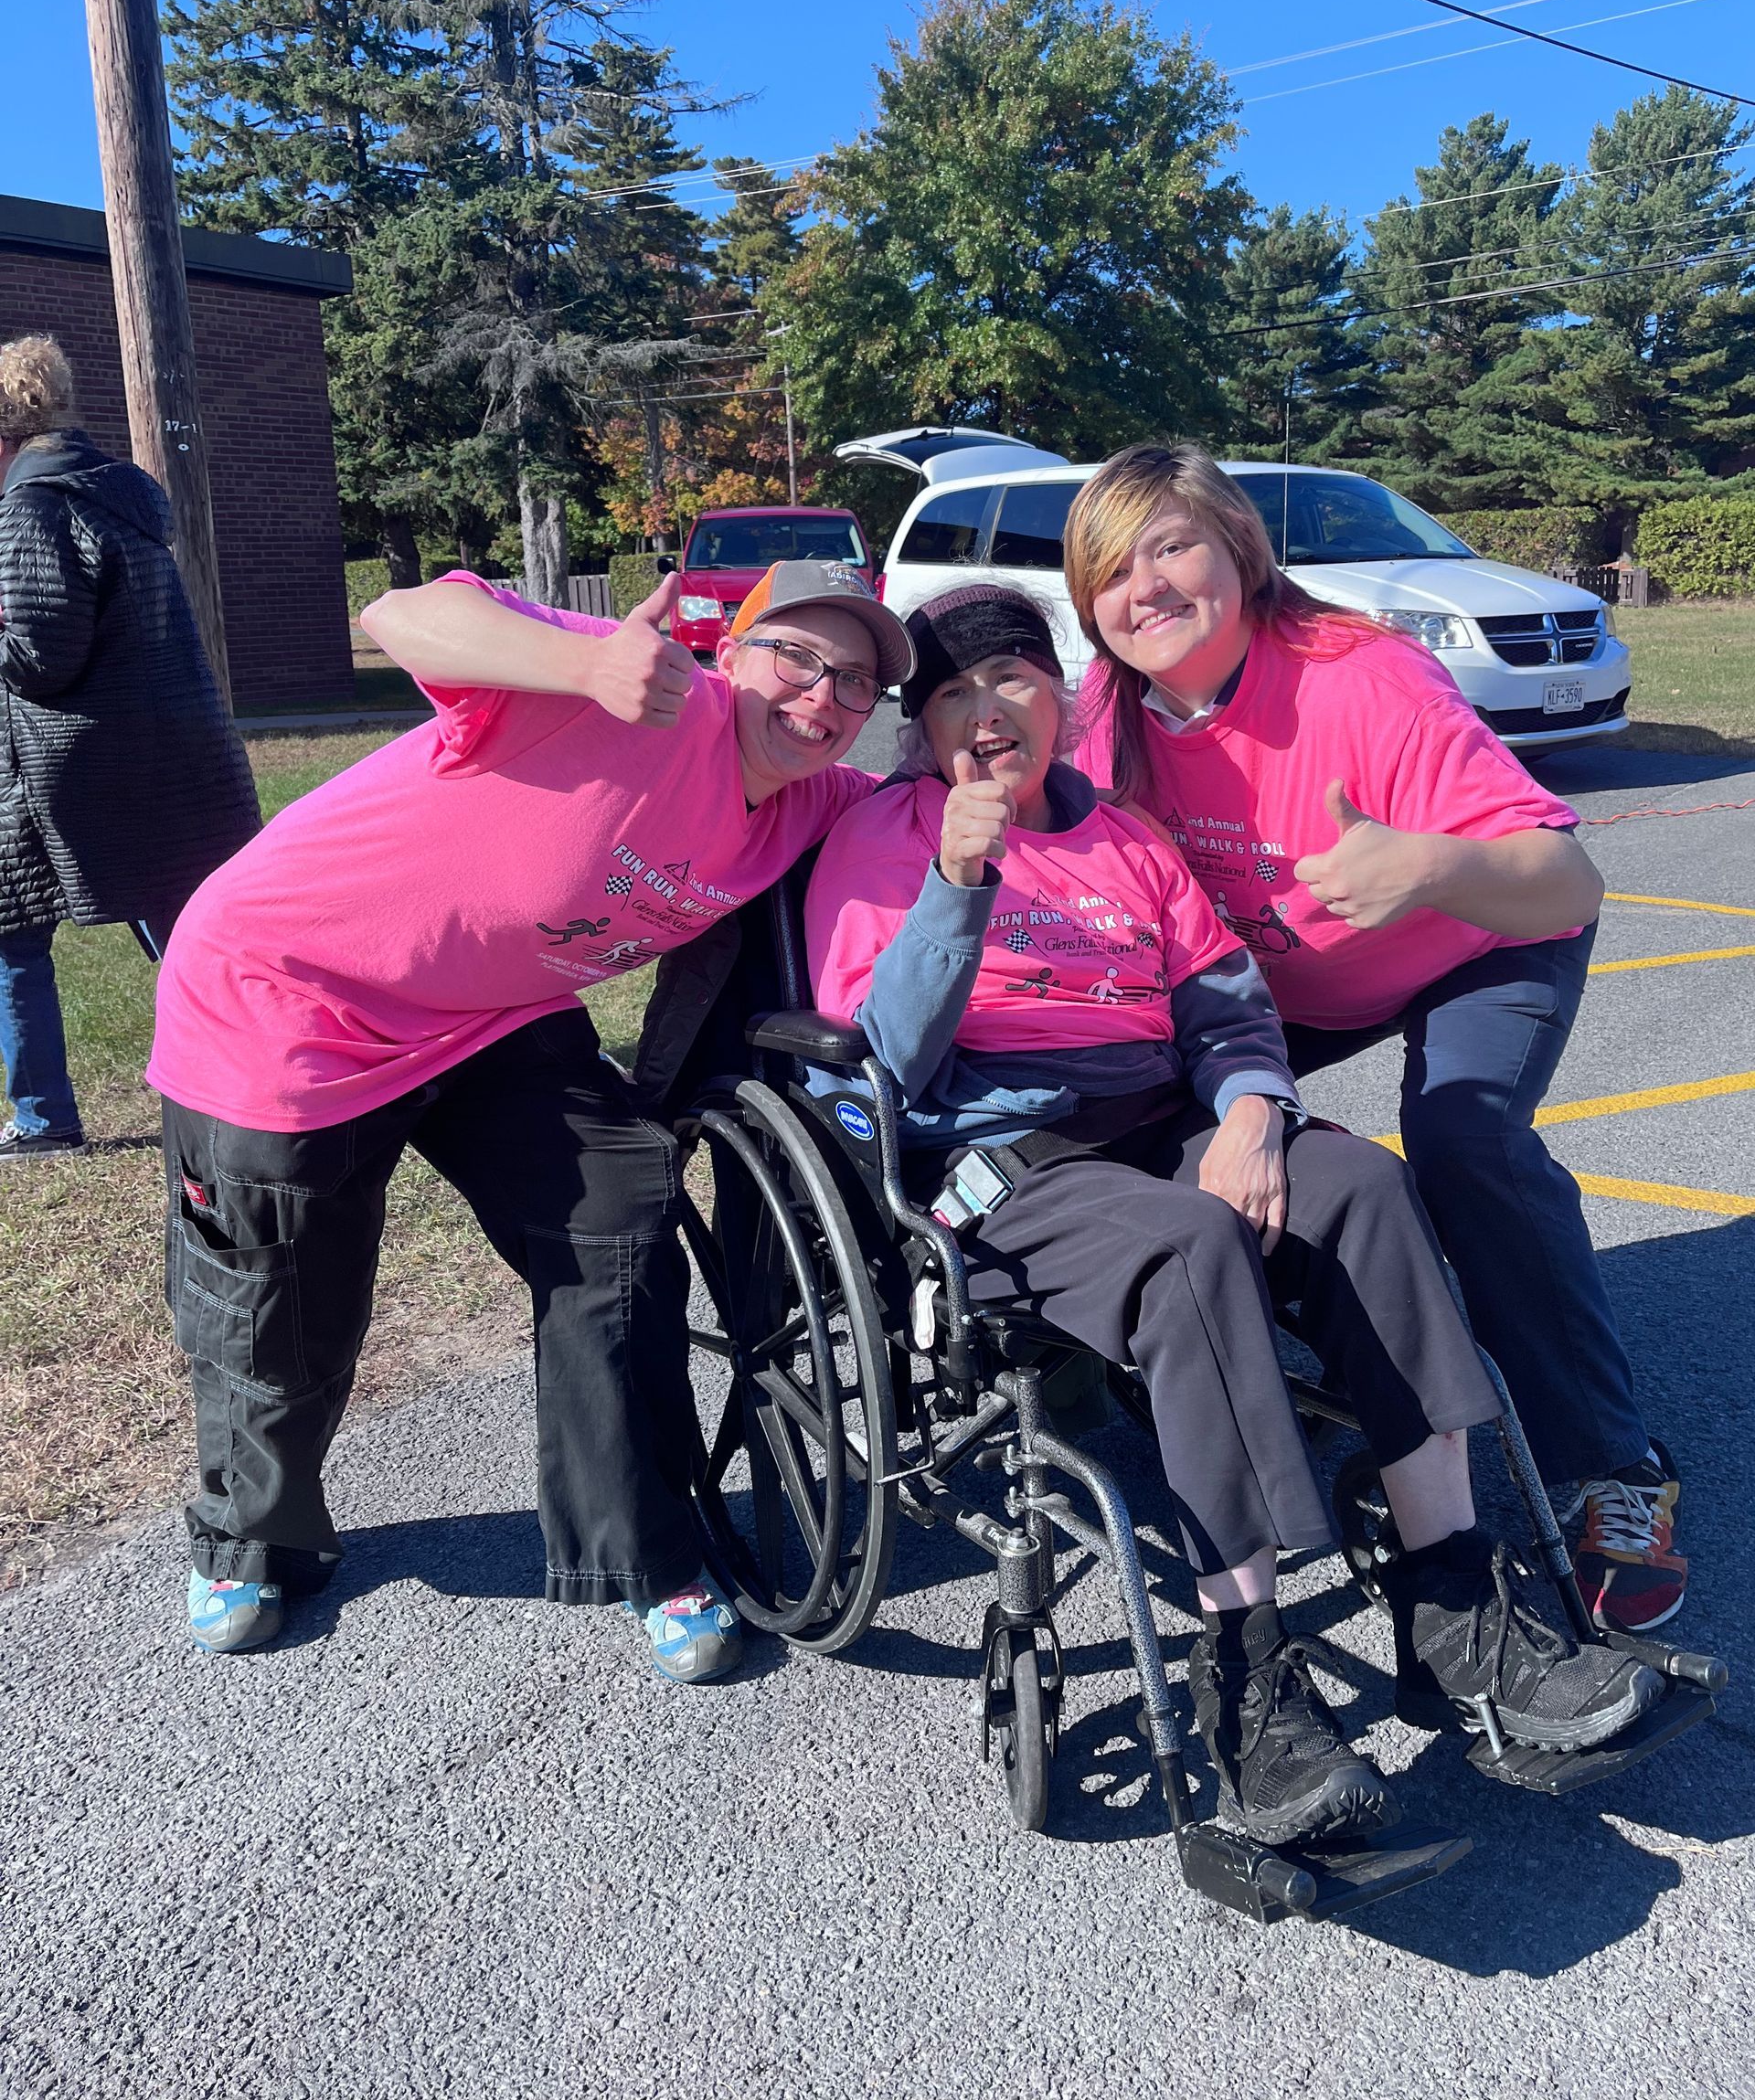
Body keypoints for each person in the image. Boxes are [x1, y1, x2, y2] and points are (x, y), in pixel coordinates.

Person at [803, 583, 1661, 1849]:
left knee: (1364, 1182)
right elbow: (889, 1063)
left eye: (1014, 682)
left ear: (1061, 695)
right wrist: (958, 881)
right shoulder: (889, 837)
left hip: (1167, 1117)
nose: (988, 714)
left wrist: (1257, 1105)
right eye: (951, 697)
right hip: (1000, 1154)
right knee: (1193, 1242)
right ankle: (1248, 1674)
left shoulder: (1129, 841)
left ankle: (1453, 1607)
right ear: (920, 731)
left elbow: (1222, 1003)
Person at [148, 557, 912, 1673]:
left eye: (856, 686)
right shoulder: (636, 691)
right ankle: (248, 1538)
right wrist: (585, 660)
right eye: (798, 657)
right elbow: (401, 615)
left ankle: (647, 1549)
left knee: (621, 1211)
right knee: (278, 1301)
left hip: (485, 1013)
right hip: (283, 993)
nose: (824, 698)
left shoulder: (816, 802)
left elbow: (936, 804)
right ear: (730, 650)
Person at [1064, 440, 1685, 1634]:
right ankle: (1267, 1354)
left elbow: (1565, 880)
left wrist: (1430, 865)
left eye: (1172, 546)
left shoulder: (1365, 680)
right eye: (1110, 569)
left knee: (1462, 1139)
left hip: (1477, 943)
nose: (1143, 587)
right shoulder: (1114, 719)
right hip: (1283, 986)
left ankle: (1613, 1466)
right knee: (1153, 1109)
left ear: (1243, 554)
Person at [0, 334, 259, 1157]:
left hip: (74, 771)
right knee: (194, 931)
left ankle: (43, 1120)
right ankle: (268, 1068)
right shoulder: (122, 493)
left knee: (14, 939)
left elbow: (42, 657)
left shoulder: (29, 508)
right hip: (163, 756)